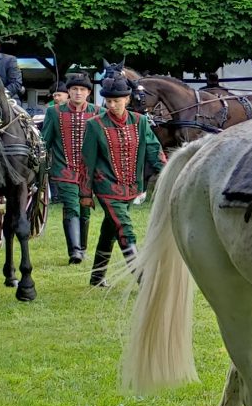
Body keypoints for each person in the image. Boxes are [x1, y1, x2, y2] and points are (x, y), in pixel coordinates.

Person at [81, 74, 164, 285]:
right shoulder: (94, 125)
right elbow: (87, 161)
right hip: (106, 186)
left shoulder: (140, 121)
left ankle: (97, 277)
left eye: (116, 101)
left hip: (131, 186)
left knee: (110, 229)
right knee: (124, 228)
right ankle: (144, 280)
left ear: (127, 99)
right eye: (108, 101)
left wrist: (167, 174)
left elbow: (154, 150)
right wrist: (85, 193)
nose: (112, 105)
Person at [41, 74, 97, 264]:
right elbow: (45, 140)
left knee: (85, 208)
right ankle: (75, 252)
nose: (78, 92)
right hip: (64, 169)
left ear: (88, 93)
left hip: (90, 172)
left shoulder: (99, 112)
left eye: (82, 89)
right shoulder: (54, 112)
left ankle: (82, 248)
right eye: (74, 89)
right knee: (71, 205)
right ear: (69, 92)